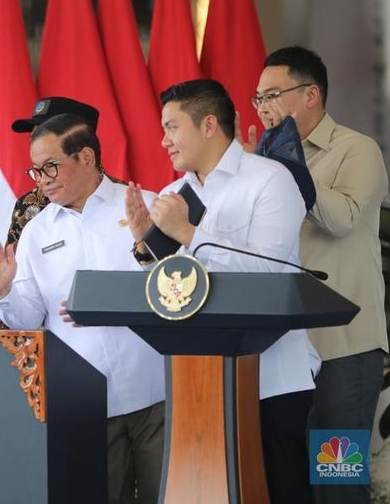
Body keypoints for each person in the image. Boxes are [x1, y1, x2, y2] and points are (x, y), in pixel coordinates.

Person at [125, 79, 318, 503]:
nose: (163, 141)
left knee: (281, 491)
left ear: (209, 123)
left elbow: (269, 275)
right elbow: (170, 292)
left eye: (172, 127)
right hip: (196, 384)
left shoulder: (271, 180)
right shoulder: (176, 194)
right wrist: (147, 247)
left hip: (271, 380)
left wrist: (191, 233)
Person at [0, 113, 165, 504]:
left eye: (51, 166)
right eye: (35, 170)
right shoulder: (37, 231)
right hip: (87, 401)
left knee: (166, 494)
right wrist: (3, 292)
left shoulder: (143, 206)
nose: (42, 179)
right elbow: (27, 320)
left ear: (86, 157)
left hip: (157, 392)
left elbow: (175, 289)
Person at [245, 46, 388, 504]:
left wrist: (293, 171)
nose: (264, 106)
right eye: (258, 97)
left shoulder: (356, 149)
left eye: (273, 94)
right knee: (285, 483)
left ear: (310, 94)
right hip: (282, 354)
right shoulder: (263, 161)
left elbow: (343, 218)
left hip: (341, 353)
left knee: (337, 480)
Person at [0, 96, 101, 330]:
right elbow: (21, 301)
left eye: (45, 131)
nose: (35, 140)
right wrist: (3, 293)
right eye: (34, 134)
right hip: (53, 343)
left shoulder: (132, 205)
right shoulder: (30, 208)